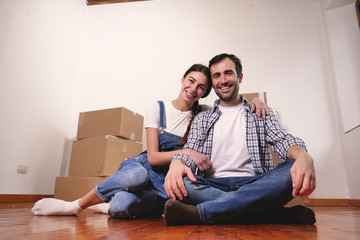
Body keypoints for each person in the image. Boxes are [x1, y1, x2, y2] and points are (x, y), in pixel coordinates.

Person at [31, 63, 268, 219]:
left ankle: (107, 203)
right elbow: (153, 157)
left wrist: (256, 100)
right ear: (182, 79)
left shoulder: (204, 112)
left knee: (121, 208)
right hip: (144, 167)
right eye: (191, 80)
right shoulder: (159, 108)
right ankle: (75, 206)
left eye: (201, 87)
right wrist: (188, 152)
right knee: (136, 177)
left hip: (168, 181)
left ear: (204, 93)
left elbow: (231, 103)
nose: (193, 89)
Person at [163, 53, 316, 226]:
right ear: (213, 83)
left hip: (255, 182)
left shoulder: (260, 112)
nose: (223, 80)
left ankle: (201, 214)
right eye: (217, 76)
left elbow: (283, 140)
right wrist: (177, 164)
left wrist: (304, 156)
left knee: (291, 169)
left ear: (239, 77)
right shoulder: (202, 118)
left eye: (228, 73)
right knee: (181, 183)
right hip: (212, 184)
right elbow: (190, 151)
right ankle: (272, 214)